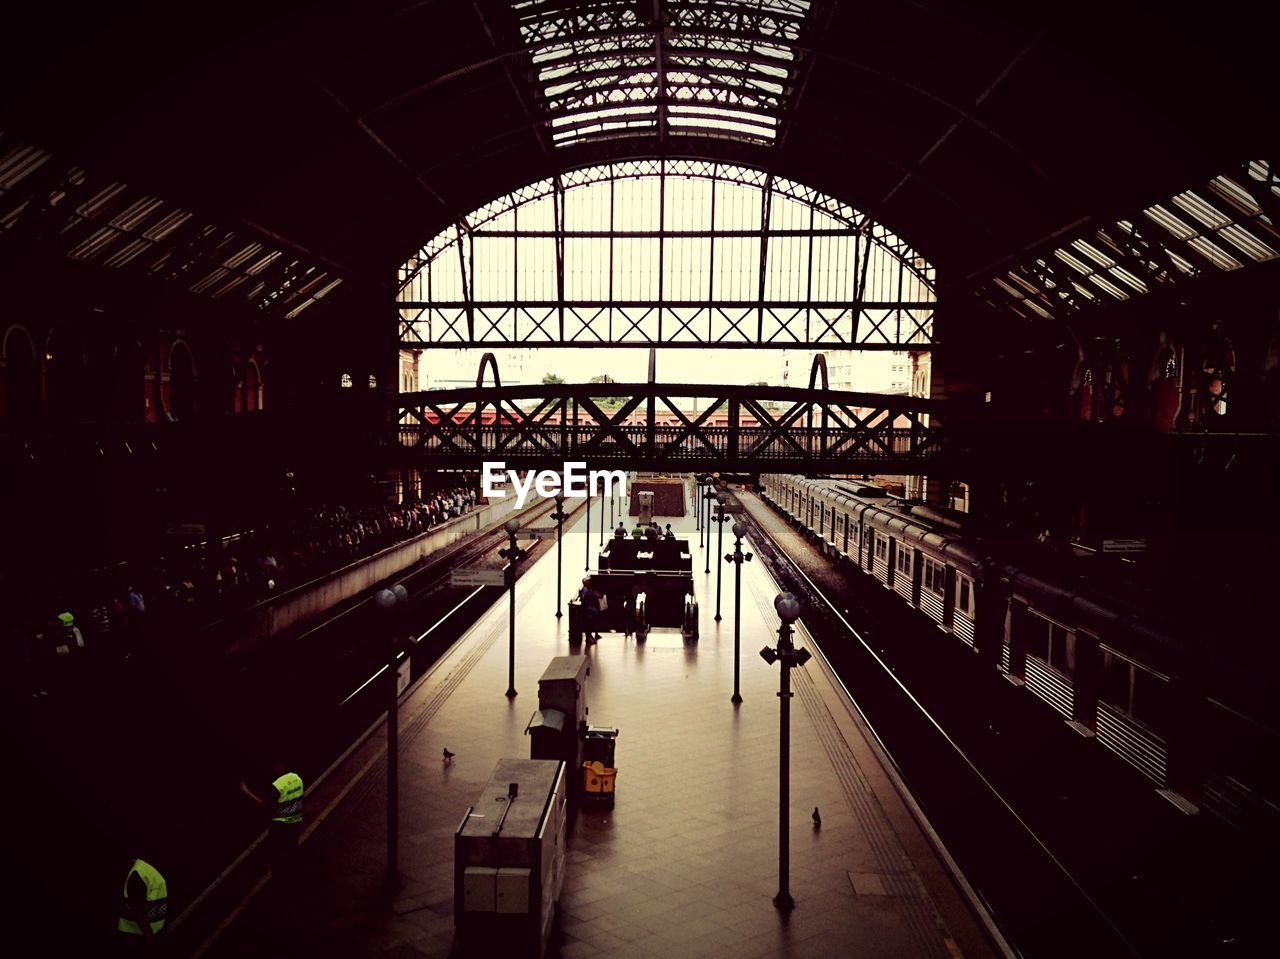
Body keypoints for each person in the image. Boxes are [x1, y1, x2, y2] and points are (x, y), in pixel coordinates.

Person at [240, 766, 304, 878]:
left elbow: (264, 805)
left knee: (275, 853)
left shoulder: (277, 786)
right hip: (296, 820)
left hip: (280, 825)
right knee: (292, 847)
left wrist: (247, 792)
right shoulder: (297, 778)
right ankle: (296, 873)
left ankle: (279, 878)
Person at [117, 856, 167, 948]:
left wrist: (150, 938)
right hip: (137, 936)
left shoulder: (138, 875)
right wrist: (150, 938)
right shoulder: (144, 872)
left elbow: (138, 911)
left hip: (141, 935)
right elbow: (138, 910)